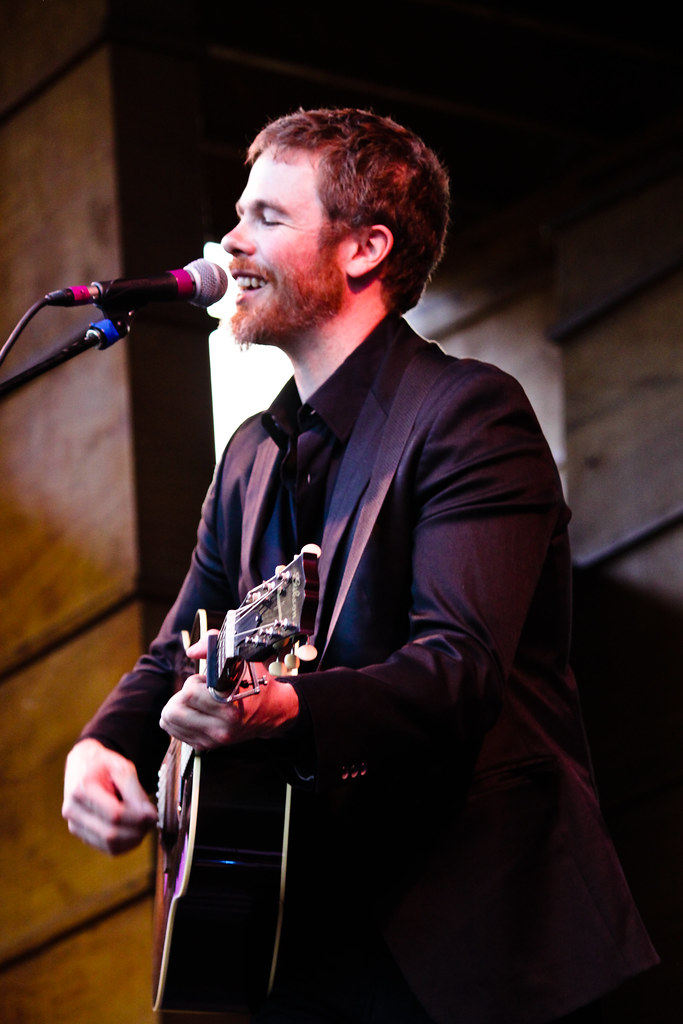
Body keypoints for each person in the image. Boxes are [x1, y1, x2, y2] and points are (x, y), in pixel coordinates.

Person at [62, 108, 657, 1024]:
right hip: (303, 955)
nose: (232, 241)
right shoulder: (253, 455)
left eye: (267, 217)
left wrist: (282, 708)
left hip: (478, 952)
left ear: (363, 249)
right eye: (237, 214)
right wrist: (106, 743)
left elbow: (457, 669)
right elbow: (184, 640)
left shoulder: (466, 415)